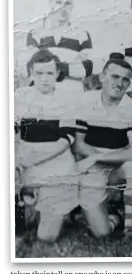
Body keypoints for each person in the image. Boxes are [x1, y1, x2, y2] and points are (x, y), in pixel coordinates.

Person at [72, 59, 132, 239]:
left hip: (116, 166)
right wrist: (97, 160)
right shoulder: (85, 101)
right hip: (92, 168)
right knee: (102, 233)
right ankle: (116, 215)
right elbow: (79, 144)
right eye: (114, 76)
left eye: (125, 80)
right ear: (102, 77)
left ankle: (131, 230)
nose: (120, 84)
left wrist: (98, 157)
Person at [14, 49, 80, 242]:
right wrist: (15, 159)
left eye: (49, 73)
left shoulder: (66, 99)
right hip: (24, 157)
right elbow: (13, 132)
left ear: (58, 73)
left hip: (56, 162)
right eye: (39, 73)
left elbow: (65, 141)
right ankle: (19, 211)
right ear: (31, 73)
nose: (44, 79)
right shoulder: (20, 96)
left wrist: (30, 160)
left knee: (47, 237)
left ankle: (52, 207)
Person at [21, 0, 95, 93]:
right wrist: (70, 65)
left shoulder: (82, 35)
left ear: (72, 5)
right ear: (50, 4)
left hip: (72, 93)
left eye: (67, 3)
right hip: (42, 95)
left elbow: (87, 69)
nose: (63, 8)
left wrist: (49, 66)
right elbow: (31, 68)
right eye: (58, 2)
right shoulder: (35, 34)